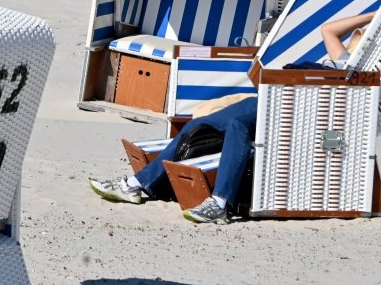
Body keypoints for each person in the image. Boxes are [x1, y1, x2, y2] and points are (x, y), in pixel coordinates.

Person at [89, 96, 256, 224]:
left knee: (237, 125)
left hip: (281, 101)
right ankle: (135, 184)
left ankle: (219, 203)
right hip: (265, 93)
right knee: (198, 124)